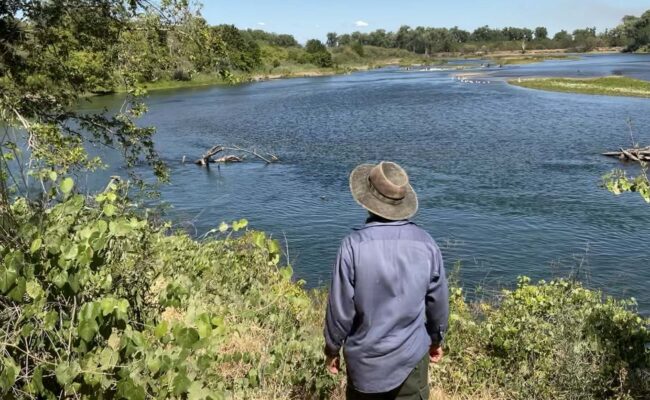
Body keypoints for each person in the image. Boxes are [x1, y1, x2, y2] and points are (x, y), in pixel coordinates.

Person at [324, 161, 449, 400]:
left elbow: (340, 311)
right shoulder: (426, 243)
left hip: (365, 367)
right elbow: (438, 304)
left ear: (367, 201)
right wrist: (436, 339)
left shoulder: (353, 246)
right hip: (411, 362)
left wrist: (332, 349)